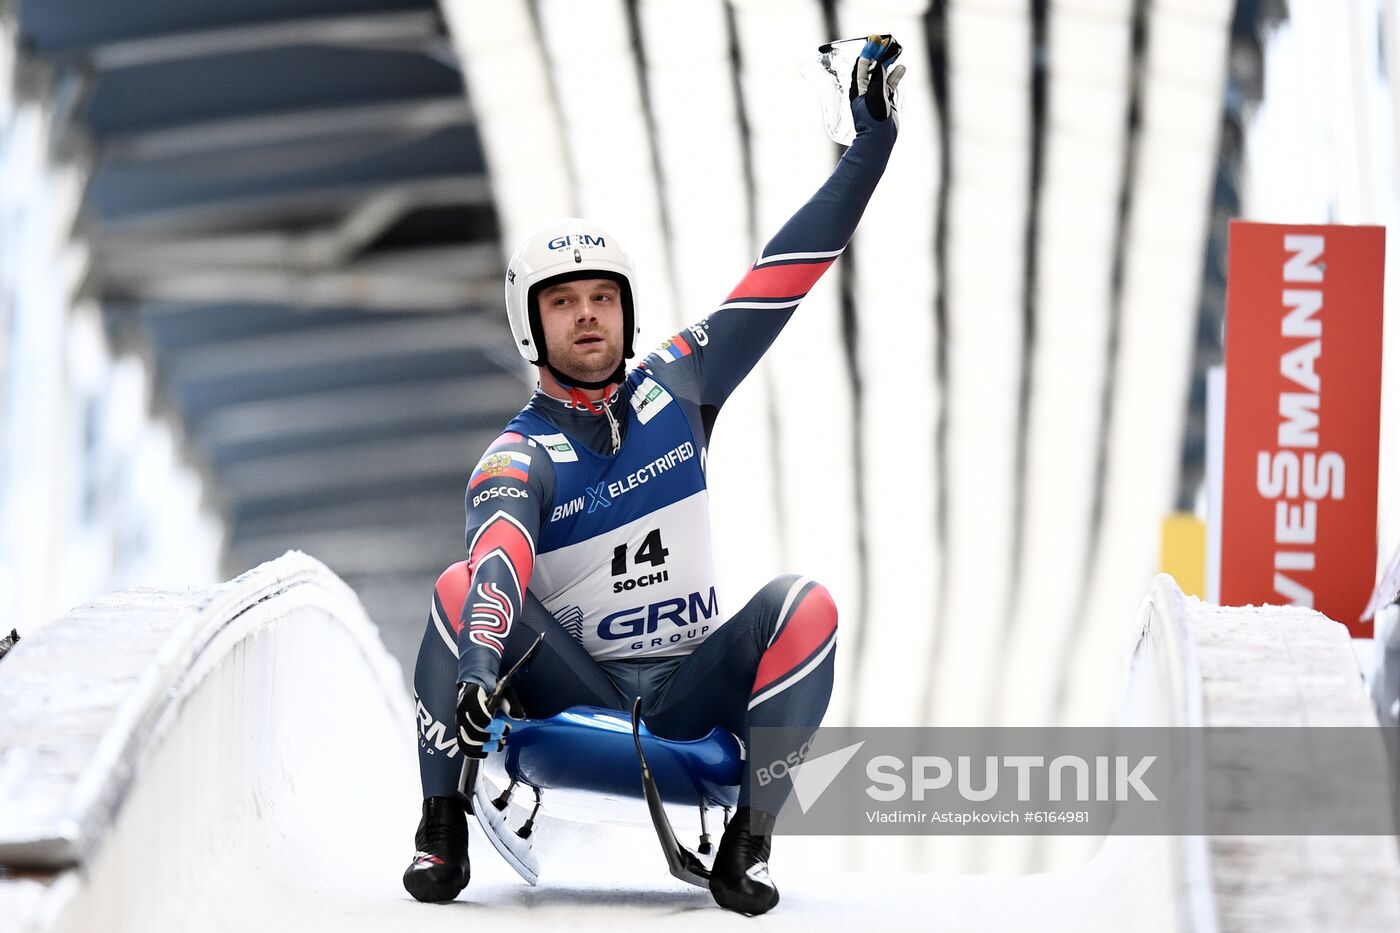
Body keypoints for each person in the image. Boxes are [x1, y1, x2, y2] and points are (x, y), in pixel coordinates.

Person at [404, 37, 903, 915]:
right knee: (455, 587)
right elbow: (498, 558)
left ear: (627, 312)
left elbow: (787, 271)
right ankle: (439, 827)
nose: (587, 315)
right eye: (563, 301)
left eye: (602, 297)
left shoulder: (679, 385)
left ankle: (747, 848)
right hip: (574, 685)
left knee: (808, 603)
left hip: (687, 692)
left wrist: (870, 147)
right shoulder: (517, 455)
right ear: (533, 325)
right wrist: (482, 666)